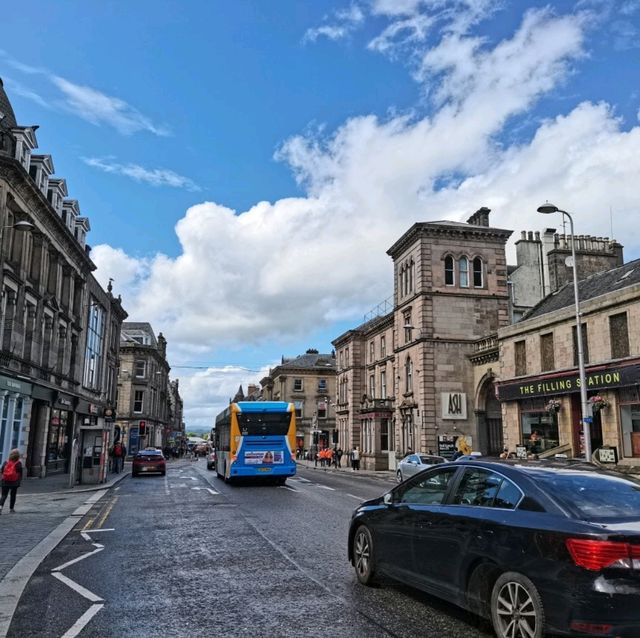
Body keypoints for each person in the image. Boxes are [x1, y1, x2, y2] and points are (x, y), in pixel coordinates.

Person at [0, 449, 23, 514]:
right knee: (13, 495)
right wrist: (19, 481)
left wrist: (2, 478)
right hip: (14, 482)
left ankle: (0, 508)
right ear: (18, 456)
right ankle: (11, 509)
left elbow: (2, 471)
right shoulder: (18, 463)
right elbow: (20, 473)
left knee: (4, 495)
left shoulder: (5, 462)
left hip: (5, 481)